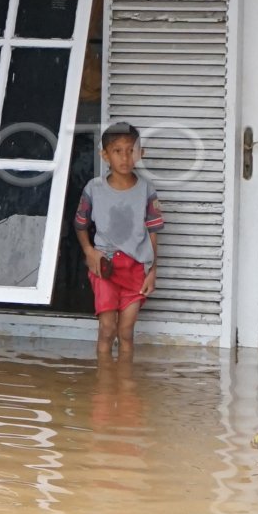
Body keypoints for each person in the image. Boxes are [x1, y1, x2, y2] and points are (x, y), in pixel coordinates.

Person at [73, 122, 164, 357]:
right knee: (107, 328)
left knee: (125, 331)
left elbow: (153, 231)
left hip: (136, 269)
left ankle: (125, 389)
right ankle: (103, 388)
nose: (125, 157)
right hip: (105, 267)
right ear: (104, 155)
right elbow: (80, 225)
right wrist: (89, 252)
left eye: (130, 150)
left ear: (140, 153)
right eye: (117, 151)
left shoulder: (146, 189)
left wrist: (152, 270)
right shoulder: (94, 188)